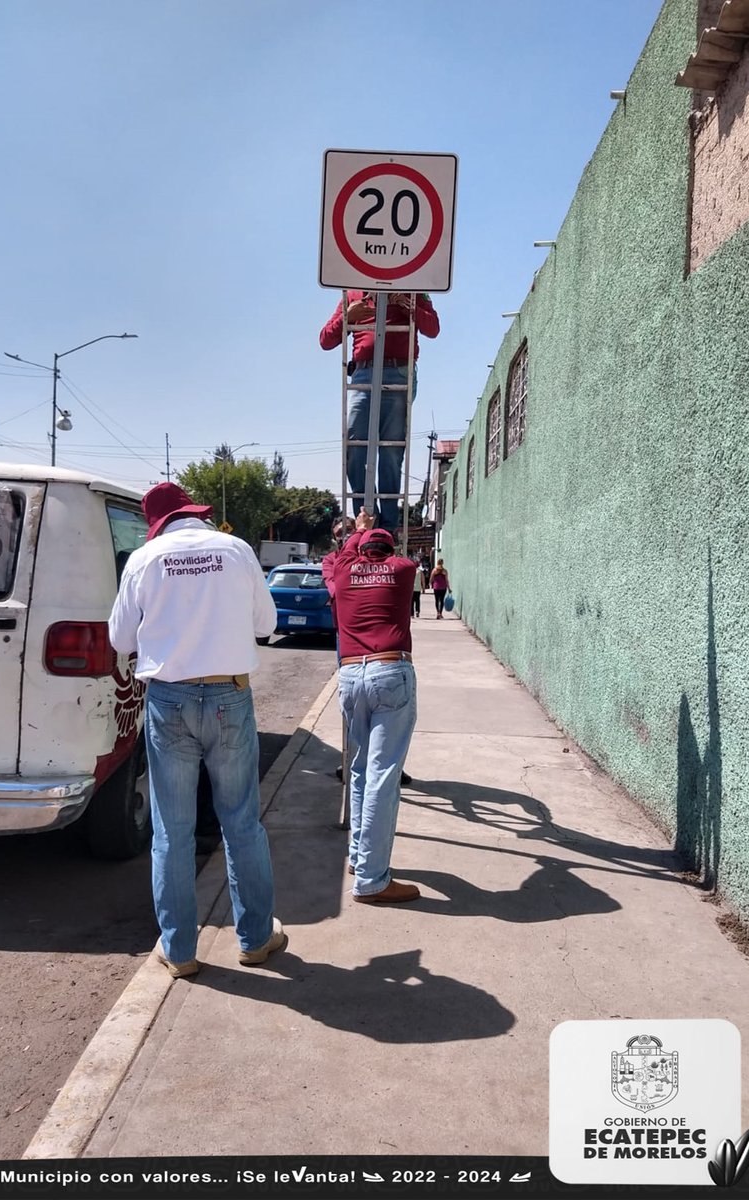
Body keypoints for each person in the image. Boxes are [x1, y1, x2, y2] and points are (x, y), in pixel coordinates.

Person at [108, 482, 285, 978]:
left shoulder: (144, 559)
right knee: (241, 820)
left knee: (172, 829)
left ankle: (180, 950)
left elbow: (120, 637)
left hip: (169, 698)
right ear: (194, 514)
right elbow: (265, 624)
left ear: (157, 523)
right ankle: (253, 939)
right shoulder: (236, 549)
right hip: (229, 694)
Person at [323, 509, 419, 903]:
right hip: (389, 671)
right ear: (390, 548)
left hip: (350, 677)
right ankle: (372, 879)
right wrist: (369, 535)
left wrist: (355, 535)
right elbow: (398, 557)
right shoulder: (402, 569)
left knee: (360, 770)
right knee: (382, 775)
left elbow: (337, 558)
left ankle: (359, 857)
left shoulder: (342, 571)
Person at [320, 290, 440, 534]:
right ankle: (366, 516)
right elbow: (325, 340)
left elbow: (433, 328)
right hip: (362, 374)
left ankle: (387, 526)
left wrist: (407, 305)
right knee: (354, 448)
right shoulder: (352, 293)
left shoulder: (412, 289)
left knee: (391, 452)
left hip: (399, 373)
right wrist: (347, 316)